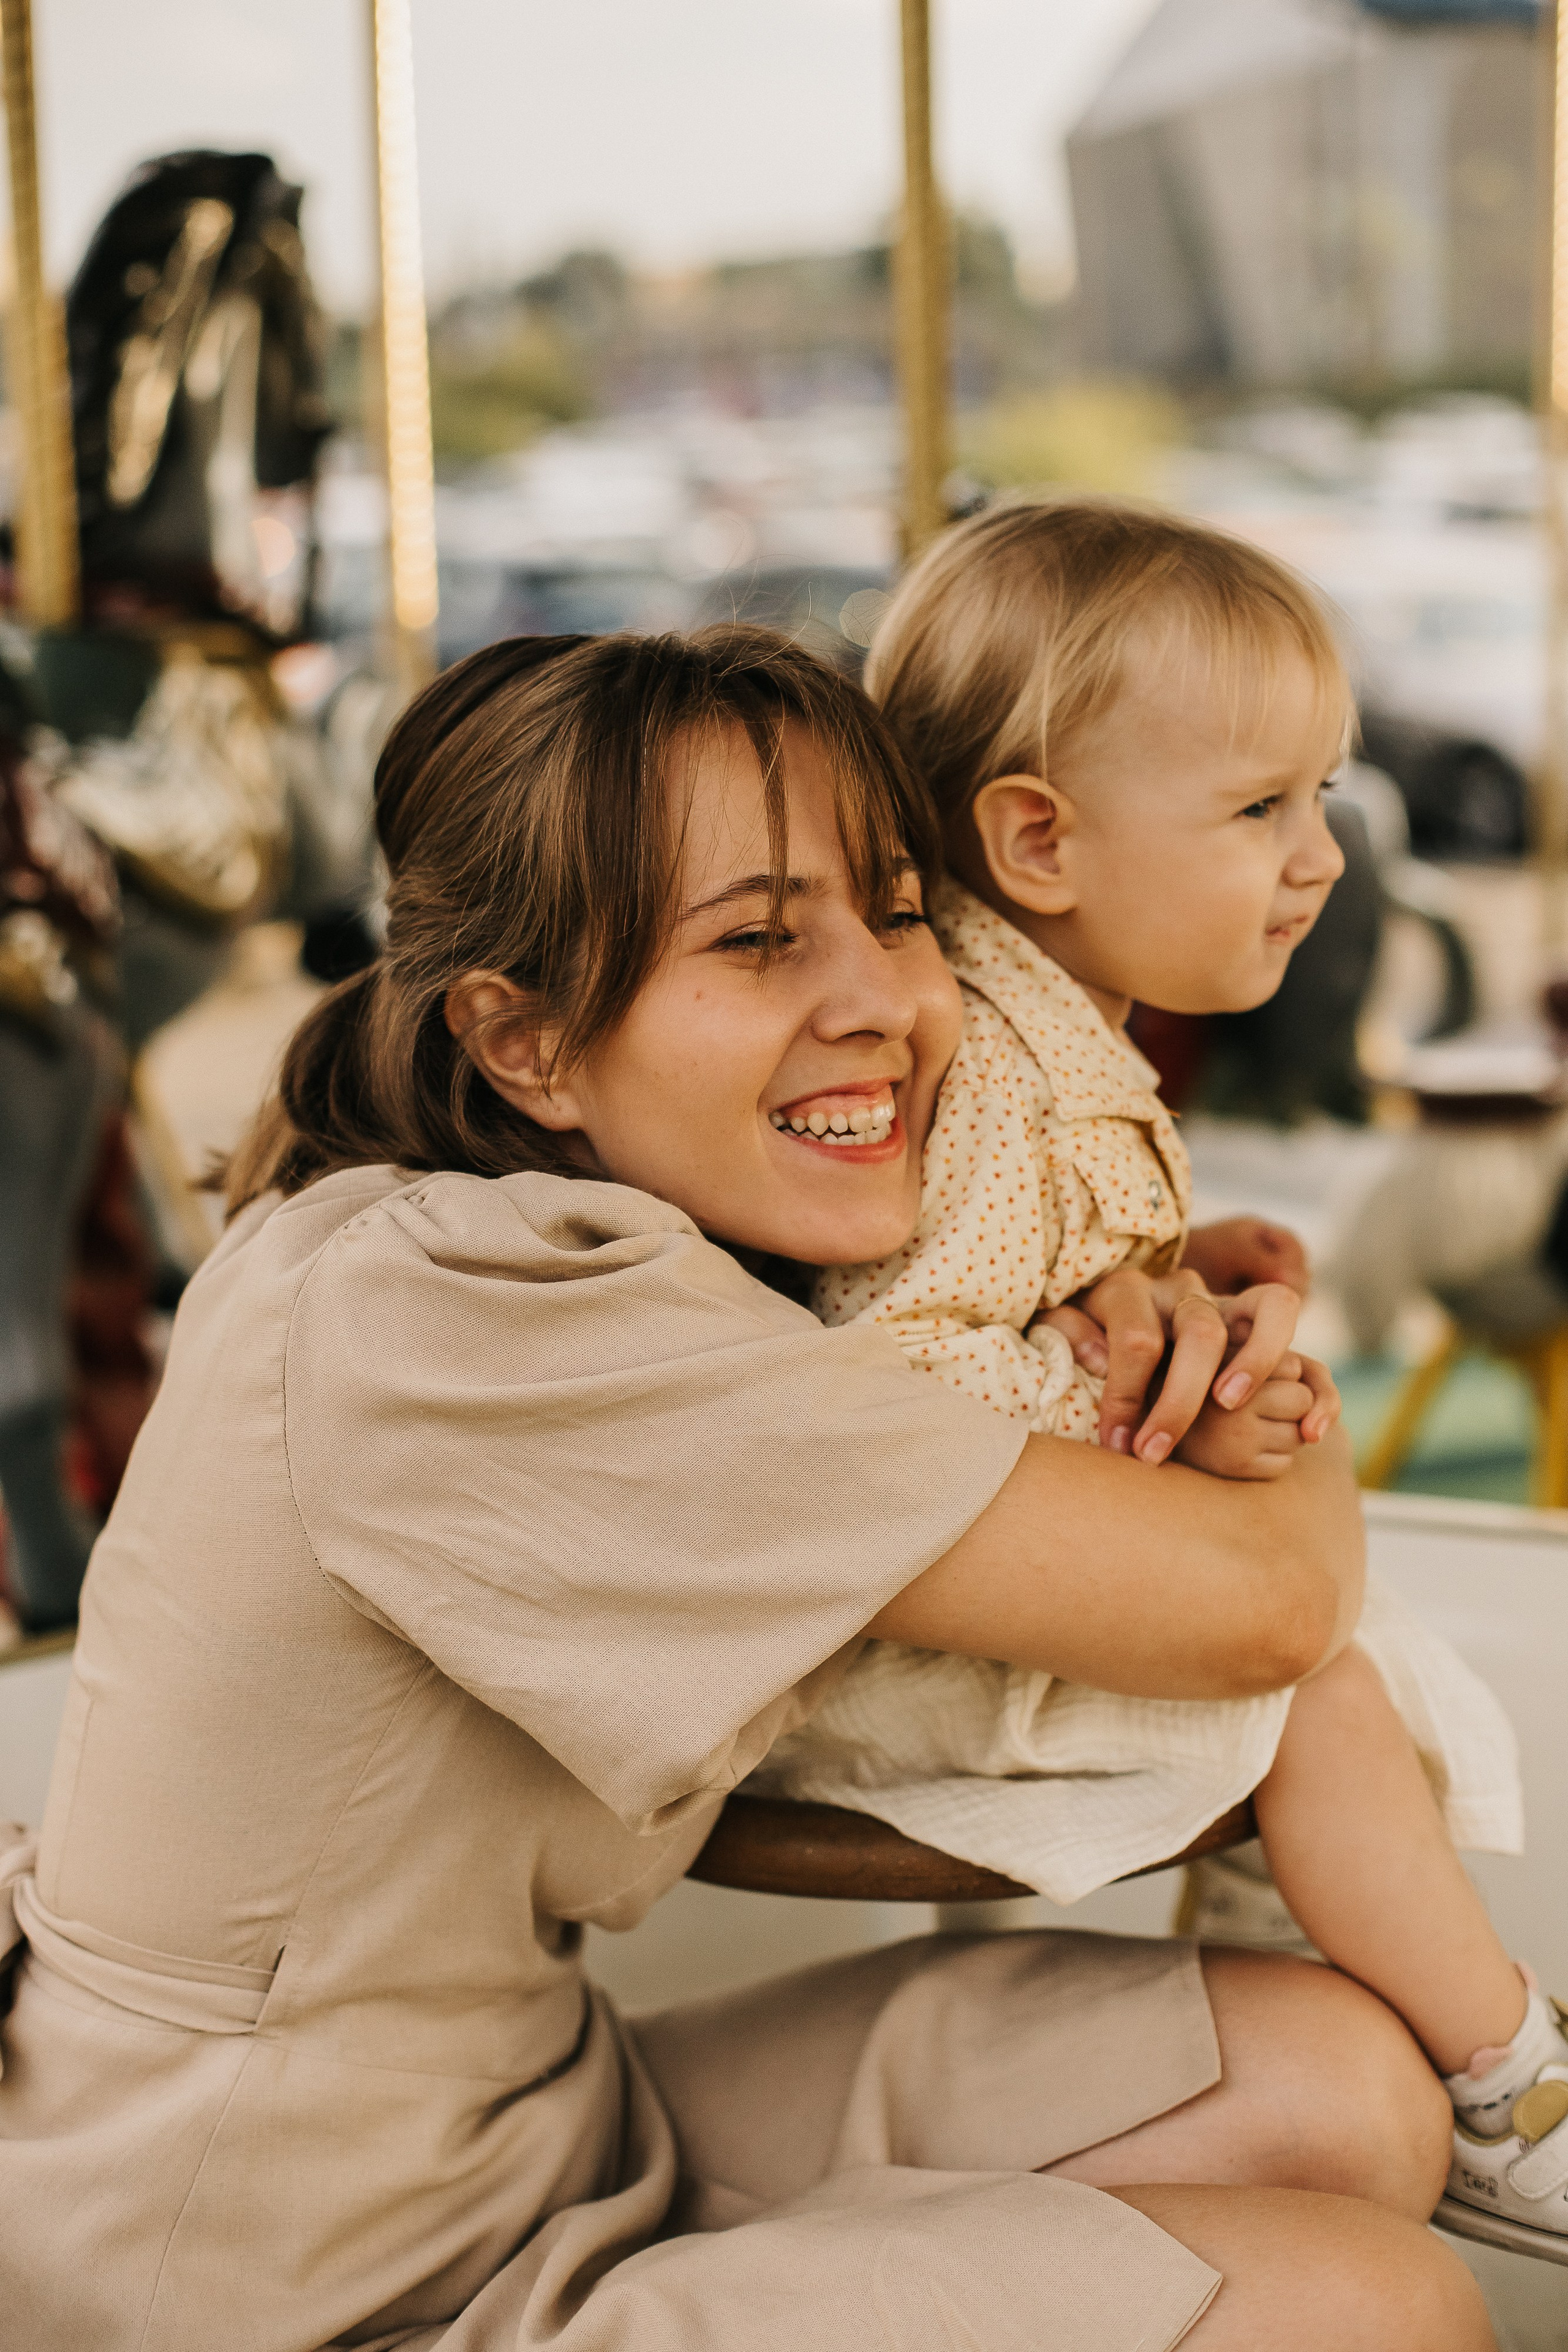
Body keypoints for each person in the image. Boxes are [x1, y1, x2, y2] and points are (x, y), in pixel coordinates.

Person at [0, 628, 1490, 2350]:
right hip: (264, 2270)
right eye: (760, 940)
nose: (887, 1003)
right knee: (1374, 2309)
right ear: (527, 1041)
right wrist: (1252, 1349)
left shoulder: (587, 1249)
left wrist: (1135, 1311)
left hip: (532, 2122)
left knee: (1351, 2095)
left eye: (902, 910)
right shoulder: (476, 1318)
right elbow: (1267, 1610)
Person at [760, 500, 1562, 2241]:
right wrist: (1151, 1412)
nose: (1326, 855)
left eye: (1324, 795)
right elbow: (891, 1366)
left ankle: (1325, 1984)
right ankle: (1510, 2078)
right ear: (1041, 842)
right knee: (1325, 1695)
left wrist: (1161, 1279)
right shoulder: (999, 1077)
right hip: (874, 1649)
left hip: (928, 1599)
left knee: (1353, 1671)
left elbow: (997, 1289)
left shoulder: (1057, 1039)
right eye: (1263, 806)